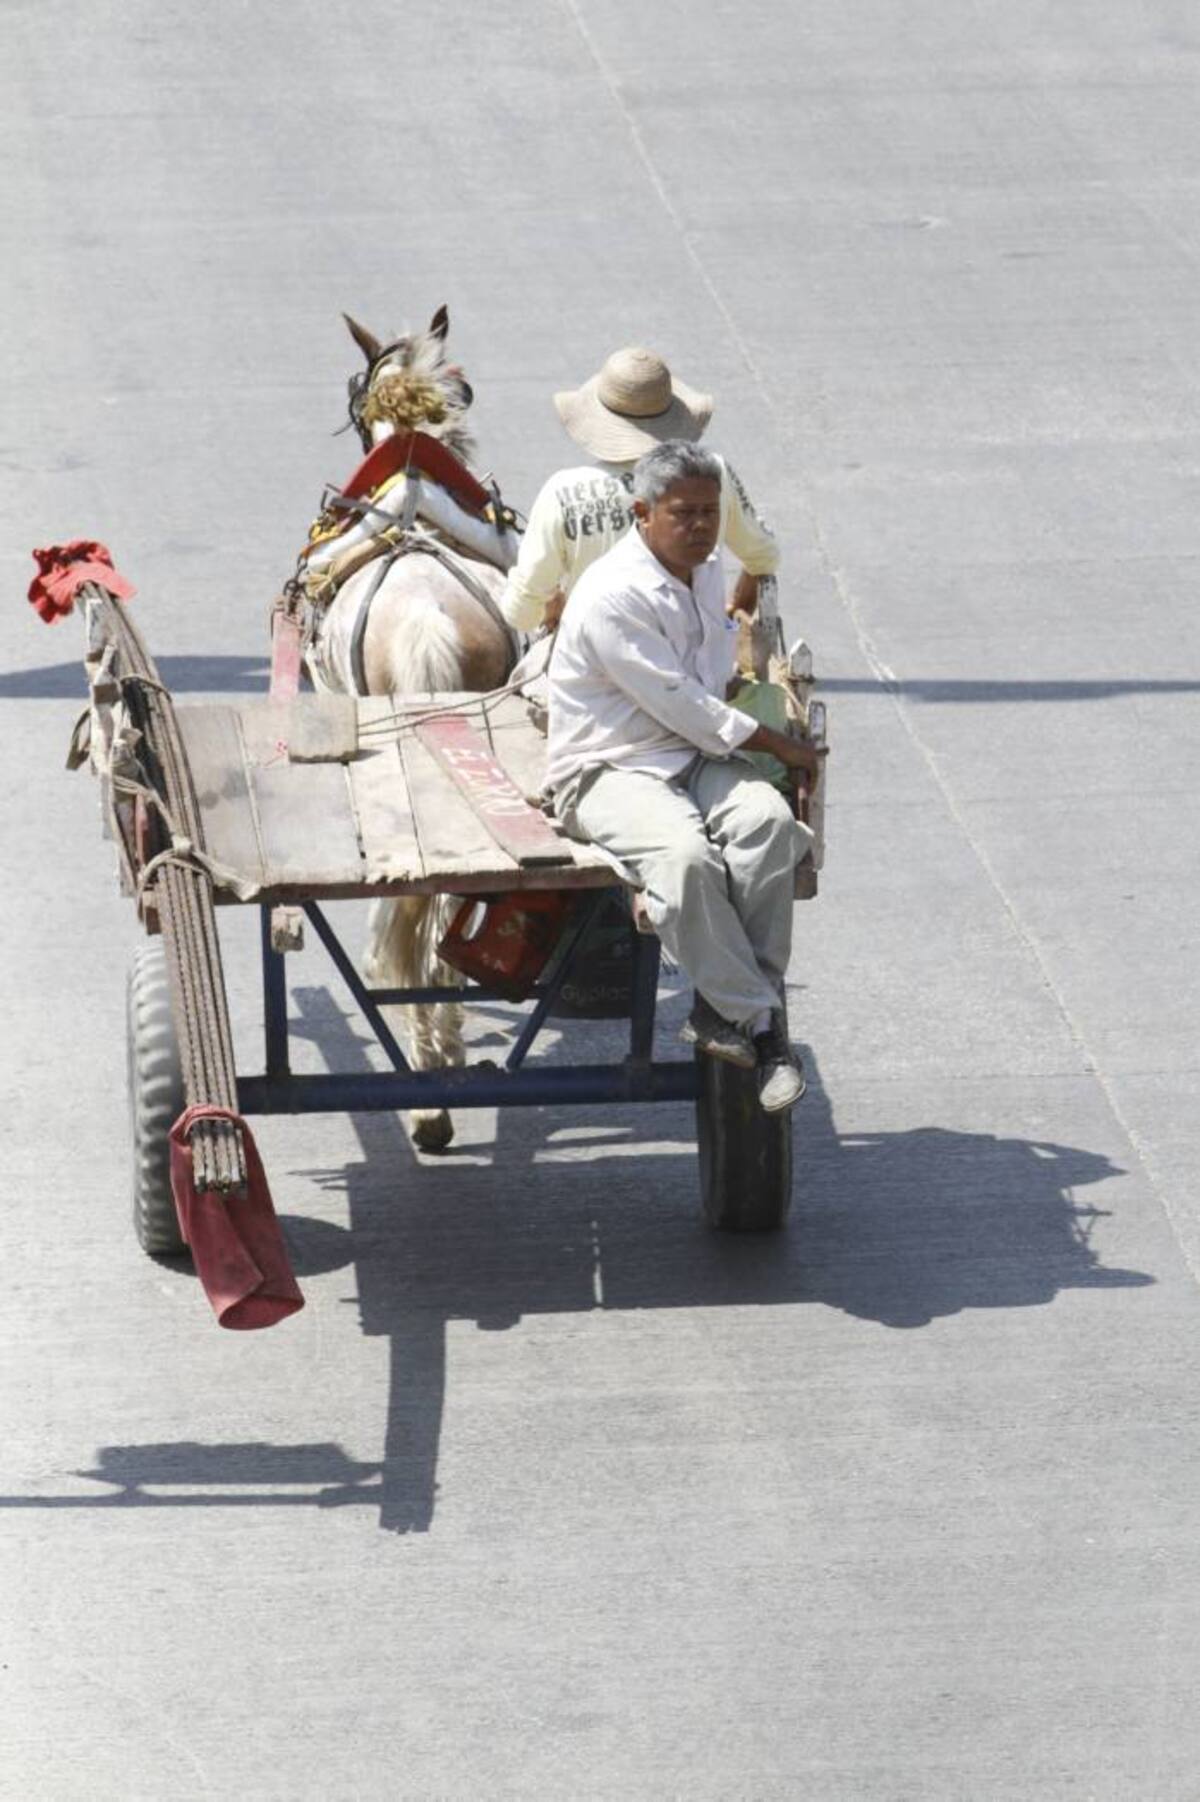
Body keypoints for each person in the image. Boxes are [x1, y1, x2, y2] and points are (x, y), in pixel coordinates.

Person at [547, 440, 820, 1112]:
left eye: (709, 512)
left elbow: (709, 684)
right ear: (643, 513)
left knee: (768, 826)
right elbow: (682, 702)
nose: (701, 527)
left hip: (693, 754)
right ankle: (763, 1028)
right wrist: (779, 746)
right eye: (684, 514)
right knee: (687, 859)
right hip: (610, 765)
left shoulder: (703, 565)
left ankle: (723, 1009)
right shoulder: (613, 596)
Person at [501, 346, 778, 633]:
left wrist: (550, 606)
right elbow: (764, 557)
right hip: (697, 655)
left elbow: (520, 612)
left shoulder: (563, 492)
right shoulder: (710, 474)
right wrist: (737, 609)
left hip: (595, 655)